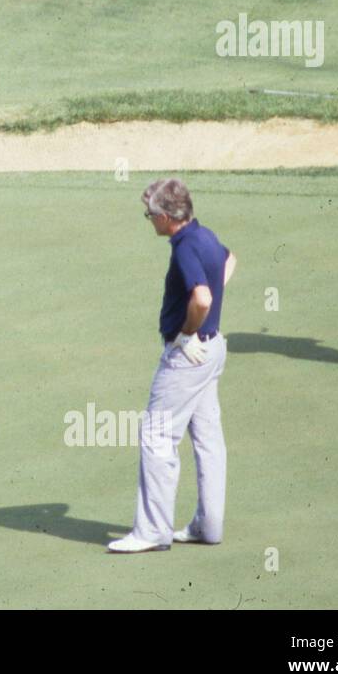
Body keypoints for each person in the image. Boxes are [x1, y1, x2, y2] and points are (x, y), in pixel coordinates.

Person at [108, 178, 237, 554]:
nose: (148, 220)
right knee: (208, 438)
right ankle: (208, 526)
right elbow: (230, 260)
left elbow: (201, 297)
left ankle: (152, 531)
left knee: (157, 436)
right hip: (212, 353)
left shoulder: (184, 248)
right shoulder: (205, 235)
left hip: (188, 358)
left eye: (150, 215)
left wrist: (186, 333)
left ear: (166, 218)